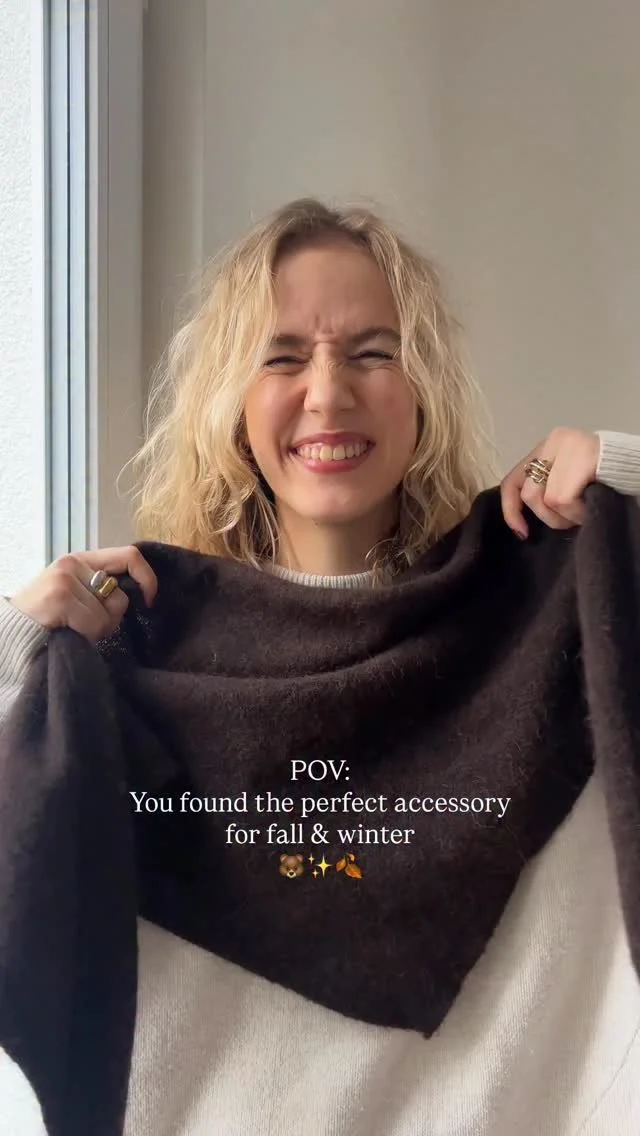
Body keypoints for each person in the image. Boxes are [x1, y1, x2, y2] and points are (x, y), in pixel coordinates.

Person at [1, 197, 640, 1134]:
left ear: (423, 389)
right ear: (230, 401)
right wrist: (17, 641)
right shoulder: (132, 661)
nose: (329, 393)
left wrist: (622, 476)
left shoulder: (537, 626)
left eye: (374, 352)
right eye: (283, 357)